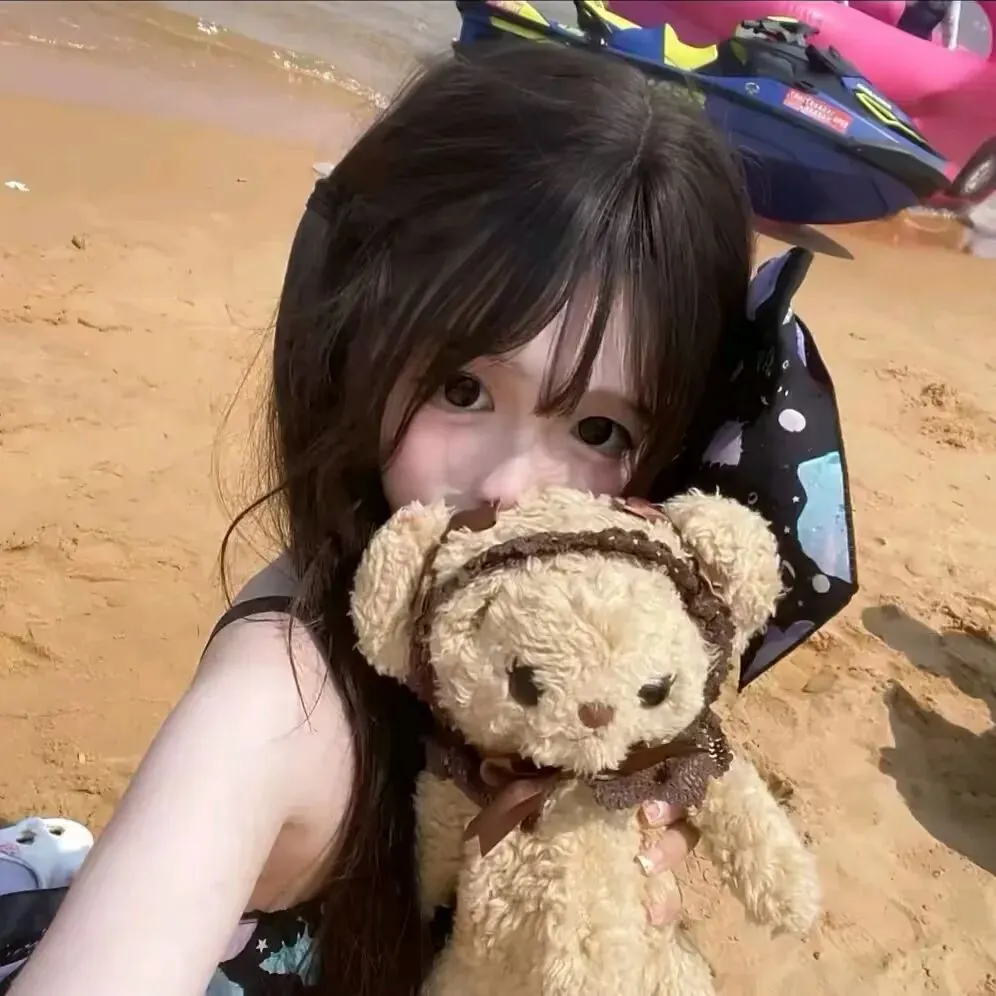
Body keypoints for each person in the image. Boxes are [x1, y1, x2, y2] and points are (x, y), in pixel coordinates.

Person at [6, 40, 756, 996]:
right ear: (357, 347)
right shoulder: (279, 699)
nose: (513, 489)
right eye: (463, 388)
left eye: (599, 429)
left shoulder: (580, 636)